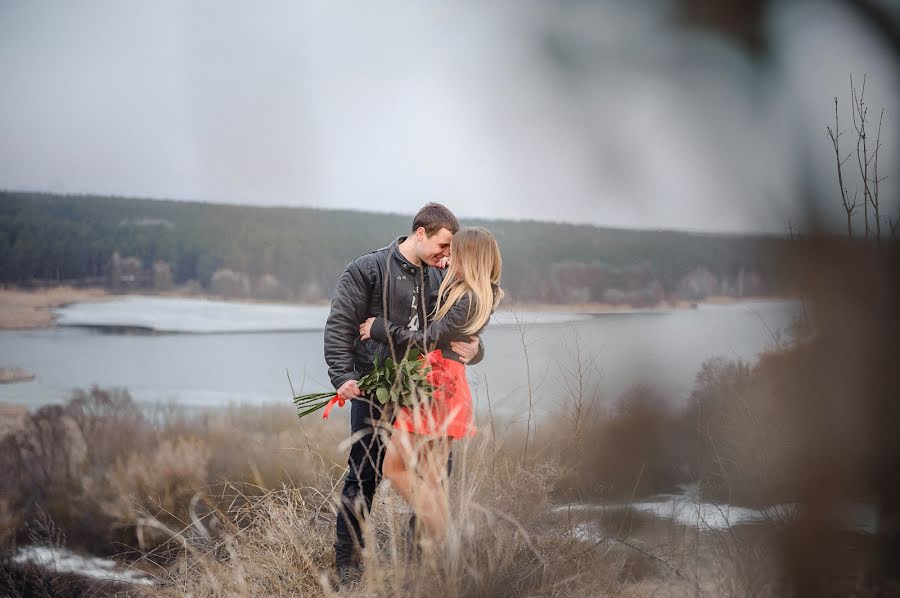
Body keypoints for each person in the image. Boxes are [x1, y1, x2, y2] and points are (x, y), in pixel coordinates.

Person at [324, 203, 483, 586]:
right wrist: (342, 375)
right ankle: (347, 563)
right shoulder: (367, 269)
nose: (447, 256)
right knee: (364, 473)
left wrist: (478, 350)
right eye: (444, 246)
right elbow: (340, 325)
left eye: (452, 250)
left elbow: (453, 332)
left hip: (425, 390)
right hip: (373, 388)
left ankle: (417, 560)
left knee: (436, 474)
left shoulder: (441, 279)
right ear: (421, 233)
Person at [359, 227, 504, 544]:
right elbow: (454, 340)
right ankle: (444, 558)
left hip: (437, 383)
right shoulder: (477, 292)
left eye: (455, 251)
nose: (448, 256)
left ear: (470, 257)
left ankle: (447, 542)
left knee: (394, 467)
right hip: (446, 380)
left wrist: (380, 328)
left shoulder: (467, 298)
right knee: (431, 477)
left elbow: (429, 339)